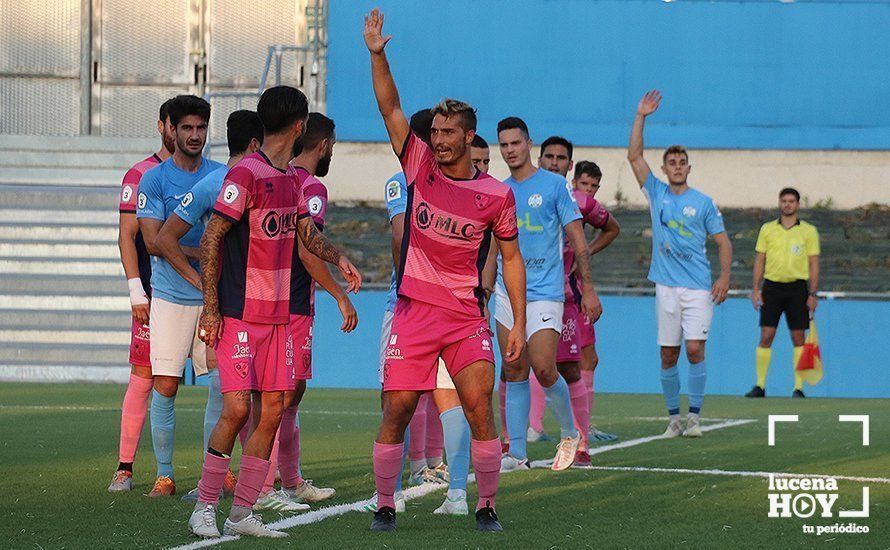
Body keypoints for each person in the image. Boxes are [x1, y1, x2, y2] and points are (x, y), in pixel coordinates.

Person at [363, 9, 526, 533]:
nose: (438, 139)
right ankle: (385, 504)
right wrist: (377, 54)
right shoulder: (417, 166)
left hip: (465, 317)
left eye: (448, 132)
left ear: (469, 136)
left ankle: (486, 507)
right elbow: (390, 106)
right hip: (413, 313)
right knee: (397, 411)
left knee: (480, 410)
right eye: (434, 131)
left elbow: (512, 257)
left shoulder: (496, 195)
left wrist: (518, 321)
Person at [187, 86, 361, 539]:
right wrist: (210, 309)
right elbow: (211, 239)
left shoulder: (292, 181)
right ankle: (204, 506)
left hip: (280, 317)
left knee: (272, 413)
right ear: (300, 125)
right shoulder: (245, 173)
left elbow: (306, 235)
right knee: (237, 409)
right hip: (240, 312)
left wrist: (338, 256)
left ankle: (242, 513)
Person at [366, 108, 475, 517]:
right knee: (448, 399)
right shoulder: (439, 181)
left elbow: (399, 235)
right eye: (435, 134)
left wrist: (409, 287)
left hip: (411, 305)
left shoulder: (413, 180)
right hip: (447, 305)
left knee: (397, 398)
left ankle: (391, 495)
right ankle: (453, 492)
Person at [153, 109, 264, 502]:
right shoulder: (214, 184)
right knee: (188, 386)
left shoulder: (241, 181)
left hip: (247, 303)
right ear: (255, 144)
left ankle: (218, 478)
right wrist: (201, 281)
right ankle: (181, 478)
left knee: (235, 391)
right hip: (216, 302)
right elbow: (164, 239)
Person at [253, 112, 354, 511]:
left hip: (275, 299)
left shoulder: (283, 177)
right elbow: (306, 247)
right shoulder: (310, 187)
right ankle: (264, 487)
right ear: (324, 144)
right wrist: (338, 293)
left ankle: (290, 480)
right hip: (291, 303)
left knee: (290, 394)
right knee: (280, 393)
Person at [494, 119, 602, 473]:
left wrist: (588, 288)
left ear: (528, 144)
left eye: (515, 143)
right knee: (513, 368)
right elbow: (492, 246)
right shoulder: (499, 190)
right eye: (504, 144)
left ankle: (570, 433)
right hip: (506, 293)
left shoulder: (555, 186)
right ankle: (518, 453)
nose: (510, 149)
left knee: (543, 366)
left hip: (544, 292)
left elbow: (578, 241)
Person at [627, 90, 733, 438]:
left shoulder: (702, 202)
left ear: (688, 166)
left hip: (698, 286)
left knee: (694, 348)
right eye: (671, 162)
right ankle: (674, 418)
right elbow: (633, 155)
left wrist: (724, 277)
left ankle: (695, 417)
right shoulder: (655, 192)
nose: (676, 166)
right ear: (664, 168)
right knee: (669, 355)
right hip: (666, 287)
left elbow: (723, 241)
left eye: (681, 162)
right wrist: (641, 116)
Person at [136, 95, 226, 496]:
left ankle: (216, 472)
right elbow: (155, 242)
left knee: (222, 387)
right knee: (166, 385)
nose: (194, 135)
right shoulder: (154, 180)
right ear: (170, 129)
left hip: (213, 299)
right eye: (186, 128)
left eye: (201, 128)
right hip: (172, 297)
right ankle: (166, 474)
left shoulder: (222, 175)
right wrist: (199, 262)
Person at [536, 145, 621, 461]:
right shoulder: (517, 193)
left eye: (561, 159)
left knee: (573, 366)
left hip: (567, 296)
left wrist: (586, 264)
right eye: (550, 157)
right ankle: (514, 444)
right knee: (519, 367)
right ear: (539, 159)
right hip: (526, 296)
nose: (555, 163)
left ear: (568, 165)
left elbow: (612, 227)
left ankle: (580, 443)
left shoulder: (580, 201)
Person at [107, 98, 175, 492]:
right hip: (153, 293)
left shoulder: (204, 176)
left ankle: (224, 469)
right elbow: (126, 237)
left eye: (195, 126)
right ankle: (126, 468)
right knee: (145, 376)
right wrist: (136, 290)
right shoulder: (140, 175)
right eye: (177, 125)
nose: (185, 133)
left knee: (222, 379)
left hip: (198, 292)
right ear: (162, 126)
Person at [747, 187, 820, 398]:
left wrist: (812, 294)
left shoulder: (808, 231)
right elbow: (760, 260)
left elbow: (814, 263)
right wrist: (755, 289)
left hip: (797, 288)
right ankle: (759, 385)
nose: (787, 204)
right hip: (772, 287)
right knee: (766, 335)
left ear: (797, 204)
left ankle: (798, 388)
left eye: (791, 201)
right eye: (784, 201)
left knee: (798, 337)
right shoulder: (767, 229)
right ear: (779, 203)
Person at [568, 161, 620, 443]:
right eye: (584, 184)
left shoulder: (586, 208)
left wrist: (586, 252)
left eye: (593, 186)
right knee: (540, 361)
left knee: (588, 357)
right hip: (556, 288)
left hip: (575, 287)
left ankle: (581, 427)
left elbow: (613, 229)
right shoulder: (565, 200)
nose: (588, 190)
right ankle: (536, 427)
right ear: (574, 182)